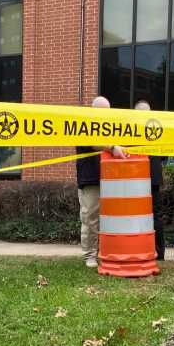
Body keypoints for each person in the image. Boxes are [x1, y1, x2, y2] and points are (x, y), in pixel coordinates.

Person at [76, 96, 126, 268]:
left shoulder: (109, 128)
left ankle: (105, 252)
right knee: (90, 218)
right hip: (90, 179)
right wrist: (112, 147)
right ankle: (90, 255)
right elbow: (93, 143)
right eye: (103, 111)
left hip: (109, 179)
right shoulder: (84, 125)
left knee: (108, 219)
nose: (106, 115)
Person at [135, 100, 165, 260]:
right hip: (153, 178)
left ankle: (141, 248)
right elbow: (164, 155)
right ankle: (159, 252)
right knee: (156, 215)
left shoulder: (131, 130)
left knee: (138, 215)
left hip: (136, 178)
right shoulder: (157, 129)